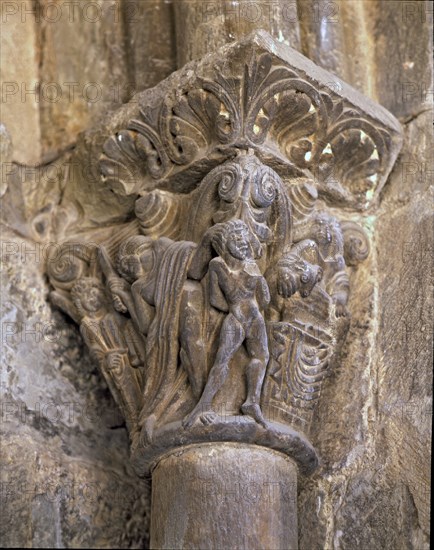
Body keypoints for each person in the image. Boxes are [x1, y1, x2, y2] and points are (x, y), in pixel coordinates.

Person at [183, 219, 270, 429]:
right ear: (224, 243)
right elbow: (214, 298)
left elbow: (265, 298)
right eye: (236, 238)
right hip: (237, 319)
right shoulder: (217, 265)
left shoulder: (252, 265)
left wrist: (256, 278)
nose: (241, 242)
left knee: (262, 356)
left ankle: (252, 402)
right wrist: (235, 306)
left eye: (244, 238)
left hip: (255, 318)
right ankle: (203, 405)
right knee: (222, 361)